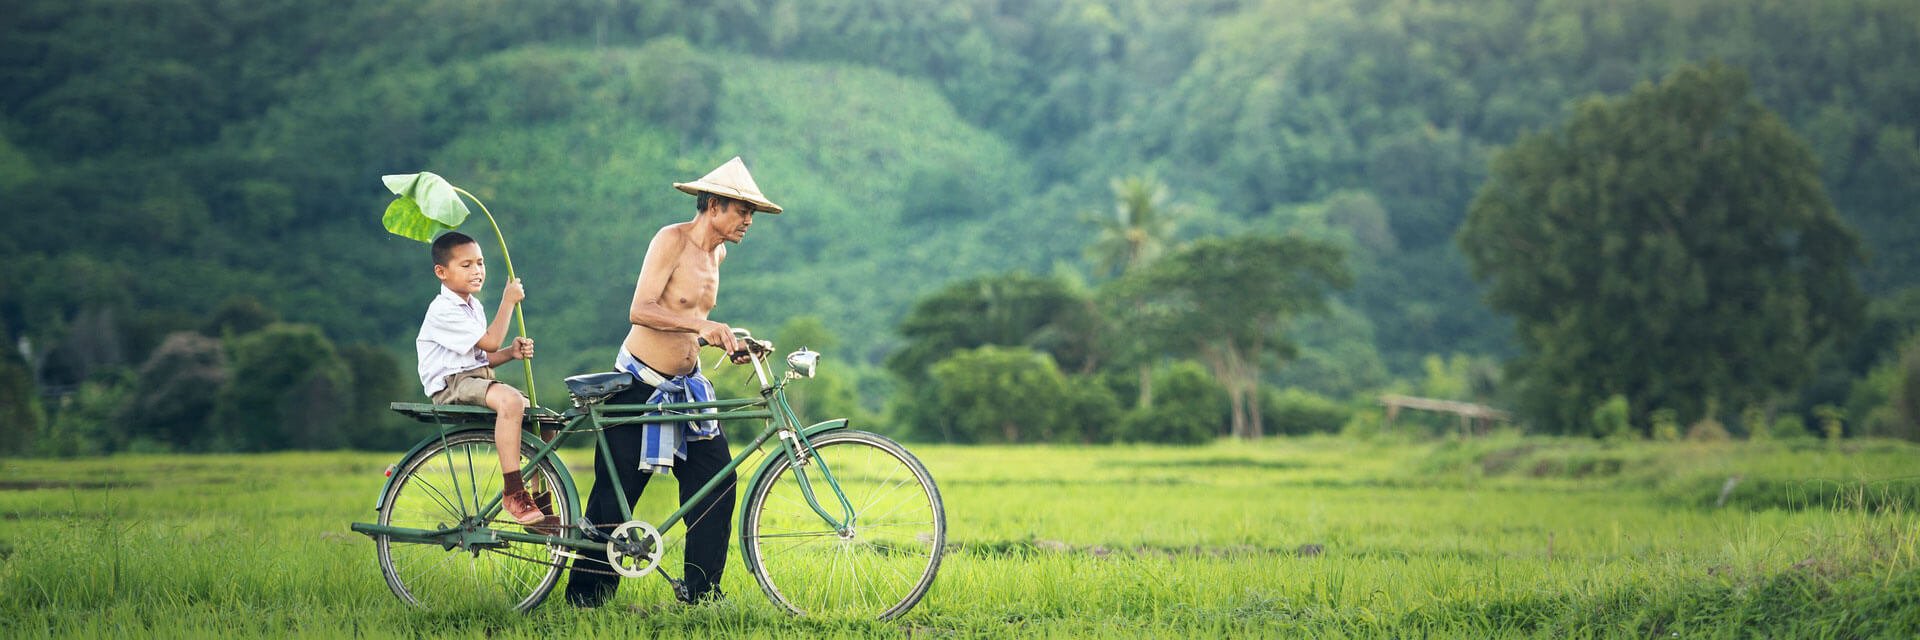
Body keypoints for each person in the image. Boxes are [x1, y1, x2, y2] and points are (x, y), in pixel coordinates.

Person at [565, 156, 782, 608]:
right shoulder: (672, 239)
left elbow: (694, 320)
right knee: (614, 496)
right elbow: (641, 309)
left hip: (688, 387)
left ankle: (702, 594)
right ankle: (586, 600)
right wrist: (700, 328)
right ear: (715, 205)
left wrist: (726, 340)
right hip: (638, 384)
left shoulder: (717, 253)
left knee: (716, 481)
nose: (748, 221)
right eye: (743, 211)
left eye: (752, 214)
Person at [415, 231, 545, 526]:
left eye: (481, 263)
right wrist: (508, 301)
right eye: (466, 265)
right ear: (442, 272)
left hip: (476, 378)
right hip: (453, 384)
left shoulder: (473, 306)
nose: (477, 271)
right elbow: (488, 341)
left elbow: (484, 357)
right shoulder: (443, 310)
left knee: (543, 421)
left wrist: (510, 352)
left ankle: (541, 496)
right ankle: (514, 491)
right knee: (511, 401)